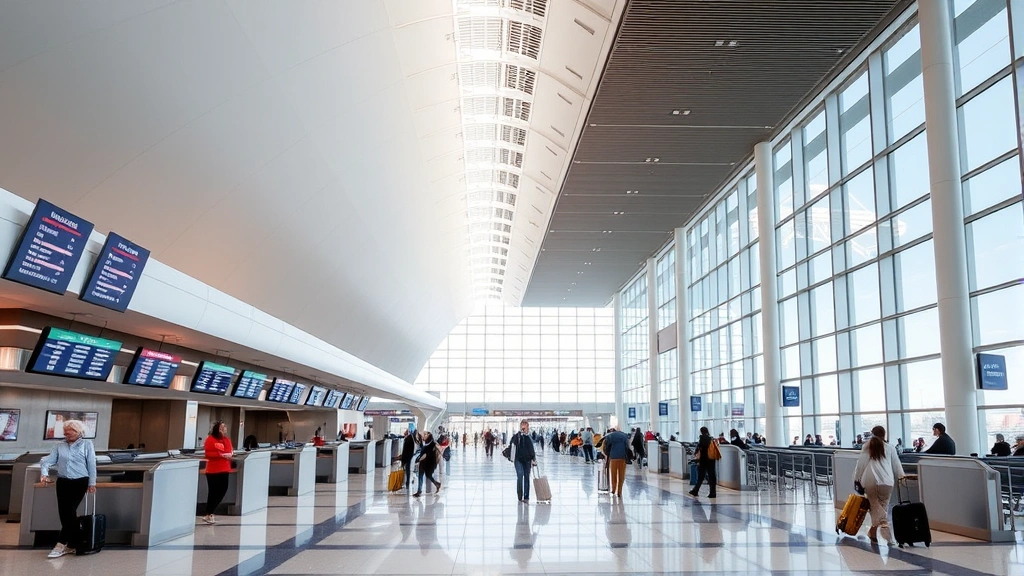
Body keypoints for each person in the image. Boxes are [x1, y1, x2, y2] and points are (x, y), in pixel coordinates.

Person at [39, 419, 96, 558]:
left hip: (80, 481)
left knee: (69, 511)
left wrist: (92, 483)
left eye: (69, 434)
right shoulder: (59, 446)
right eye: (65, 434)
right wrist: (44, 474)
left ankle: (61, 543)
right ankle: (73, 544)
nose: (67, 436)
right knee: (64, 513)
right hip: (63, 482)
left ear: (78, 432)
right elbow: (47, 461)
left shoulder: (87, 444)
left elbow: (91, 464)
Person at [853, 425, 905, 546]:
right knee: (882, 508)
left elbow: (860, 464)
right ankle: (885, 535)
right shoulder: (890, 448)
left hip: (869, 481)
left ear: (872, 434)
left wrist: (856, 478)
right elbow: (896, 465)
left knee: (875, 508)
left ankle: (876, 533)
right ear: (884, 435)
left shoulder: (867, 447)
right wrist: (901, 478)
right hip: (887, 482)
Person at [201, 421, 234, 525]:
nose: (224, 428)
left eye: (225, 426)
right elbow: (208, 453)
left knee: (223, 489)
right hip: (212, 469)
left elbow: (229, 450)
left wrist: (226, 455)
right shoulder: (210, 439)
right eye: (222, 427)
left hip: (224, 468)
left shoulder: (227, 440)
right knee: (213, 492)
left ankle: (209, 511)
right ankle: (209, 513)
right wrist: (220, 454)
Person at [510, 420, 537, 502]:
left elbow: (531, 449)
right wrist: (520, 434)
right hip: (518, 459)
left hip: (527, 460)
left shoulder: (529, 437)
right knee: (520, 475)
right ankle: (519, 495)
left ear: (528, 427)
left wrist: (533, 459)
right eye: (522, 425)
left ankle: (526, 496)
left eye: (525, 426)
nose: (524, 428)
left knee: (526, 477)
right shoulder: (516, 436)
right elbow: (512, 444)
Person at [689, 427, 717, 499]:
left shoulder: (702, 438)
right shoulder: (711, 438)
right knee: (711, 476)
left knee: (701, 476)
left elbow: (699, 449)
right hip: (711, 459)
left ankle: (695, 490)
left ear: (701, 432)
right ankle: (713, 492)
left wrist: (696, 457)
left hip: (704, 460)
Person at [601, 427, 630, 498]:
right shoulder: (624, 436)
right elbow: (627, 447)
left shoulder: (610, 436)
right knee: (621, 475)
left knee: (613, 474)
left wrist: (607, 455)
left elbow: (606, 446)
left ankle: (613, 489)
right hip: (622, 457)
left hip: (613, 457)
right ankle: (619, 492)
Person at [413, 432, 441, 497]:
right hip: (423, 462)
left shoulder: (432, 444)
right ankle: (419, 491)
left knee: (428, 475)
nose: (424, 436)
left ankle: (437, 484)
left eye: (425, 434)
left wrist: (417, 460)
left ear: (429, 435)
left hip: (428, 463)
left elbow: (426, 454)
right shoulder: (424, 443)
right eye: (424, 434)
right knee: (421, 476)